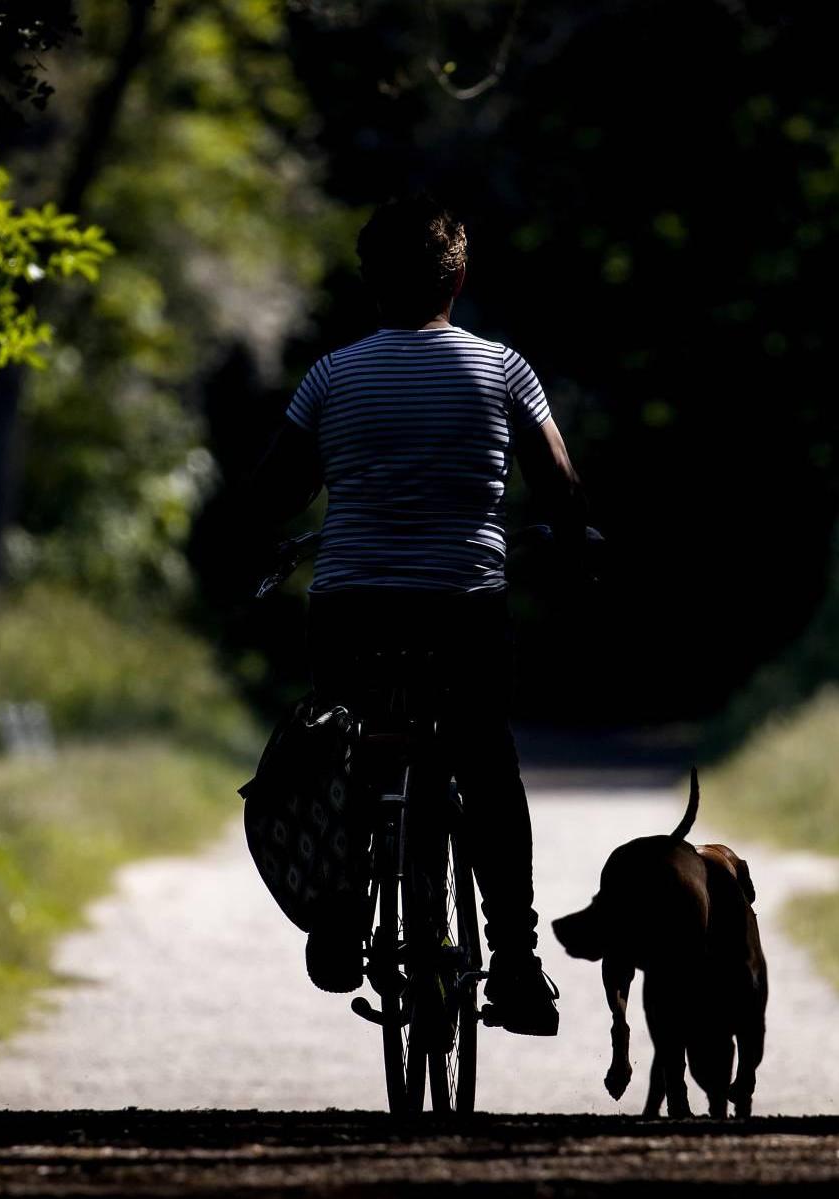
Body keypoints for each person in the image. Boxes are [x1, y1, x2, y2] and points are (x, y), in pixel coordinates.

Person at [248, 193, 587, 1037]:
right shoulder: (504, 369)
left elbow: (275, 490)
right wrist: (570, 540)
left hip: (353, 606)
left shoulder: (331, 376)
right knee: (486, 764)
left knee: (339, 746)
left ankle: (338, 915)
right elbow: (559, 483)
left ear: (368, 283)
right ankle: (513, 963)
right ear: (460, 277)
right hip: (463, 606)